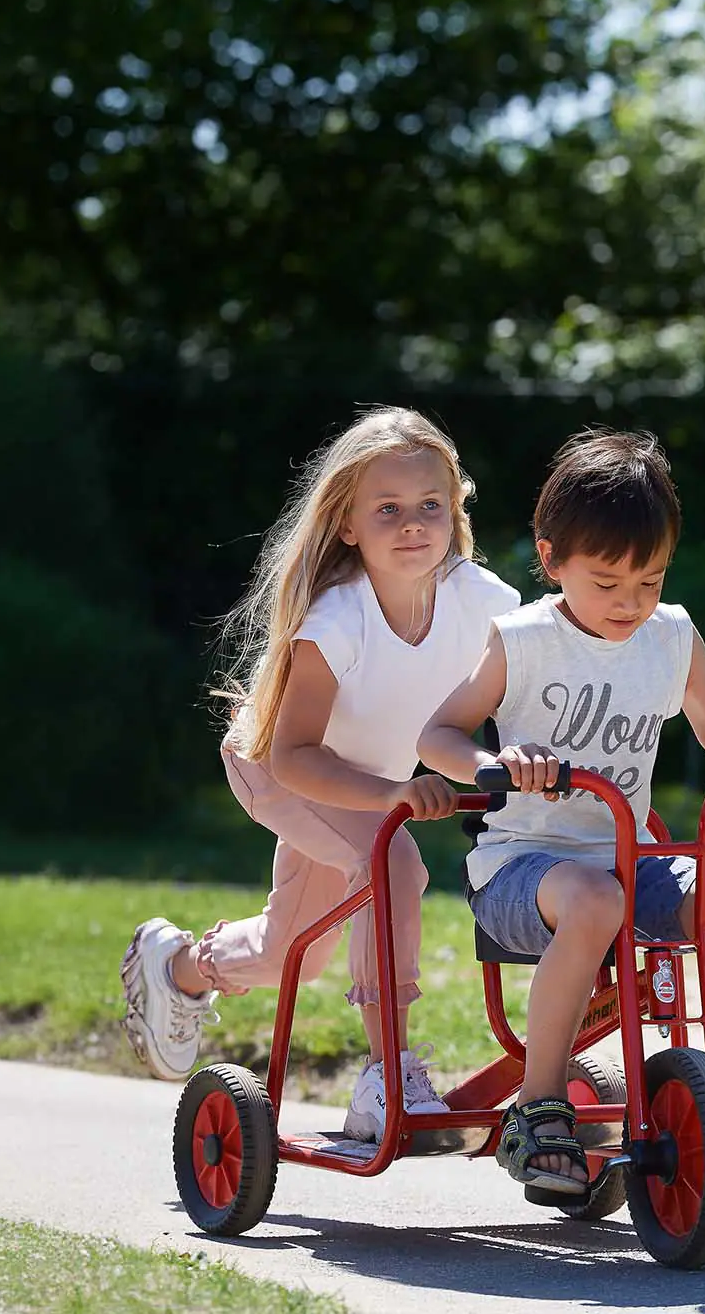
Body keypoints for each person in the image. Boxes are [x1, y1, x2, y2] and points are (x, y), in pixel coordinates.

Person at [418, 428, 705, 1204]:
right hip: (523, 871)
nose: (630, 602)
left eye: (649, 580)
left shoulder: (670, 634)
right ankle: (538, 1109)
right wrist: (496, 766)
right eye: (608, 581)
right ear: (552, 561)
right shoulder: (520, 642)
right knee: (596, 898)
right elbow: (437, 734)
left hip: (626, 862)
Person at [120, 406, 519, 1143]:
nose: (413, 524)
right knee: (391, 862)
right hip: (280, 768)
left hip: (366, 783)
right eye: (388, 509)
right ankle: (387, 1074)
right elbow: (293, 754)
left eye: (430, 505)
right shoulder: (337, 620)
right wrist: (393, 795)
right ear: (348, 525)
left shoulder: (480, 600)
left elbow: (530, 677)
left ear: (455, 509)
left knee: (288, 952)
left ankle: (178, 964)